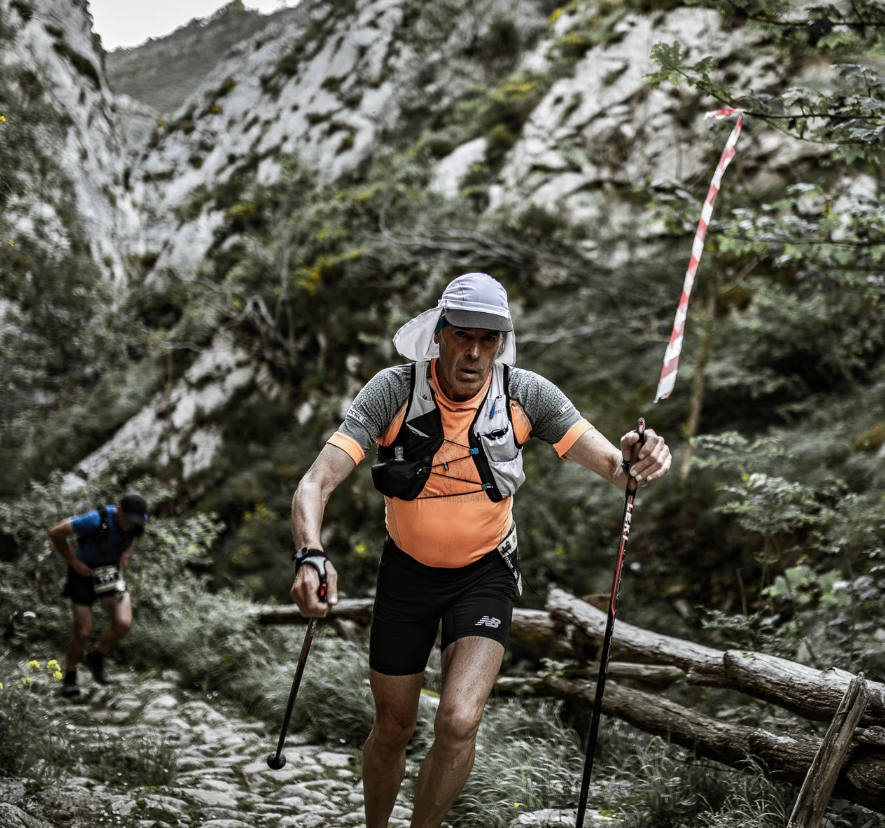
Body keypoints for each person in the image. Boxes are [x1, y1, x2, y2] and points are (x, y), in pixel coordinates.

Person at [288, 272, 672, 828]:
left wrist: (642, 454)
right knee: (393, 726)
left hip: (485, 573)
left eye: (488, 339)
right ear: (438, 333)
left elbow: (618, 468)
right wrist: (310, 553)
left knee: (460, 720)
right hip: (406, 574)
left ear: (501, 343)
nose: (473, 352)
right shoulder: (393, 391)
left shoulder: (527, 395)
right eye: (462, 335)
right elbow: (316, 482)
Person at [47, 491, 148, 695]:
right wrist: (73, 562)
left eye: (135, 521)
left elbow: (137, 534)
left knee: (123, 623)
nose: (131, 525)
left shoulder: (138, 521)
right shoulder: (94, 520)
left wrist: (127, 555)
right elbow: (56, 532)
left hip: (111, 573)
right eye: (127, 520)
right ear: (118, 510)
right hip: (83, 574)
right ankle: (70, 676)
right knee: (83, 631)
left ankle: (95, 655)